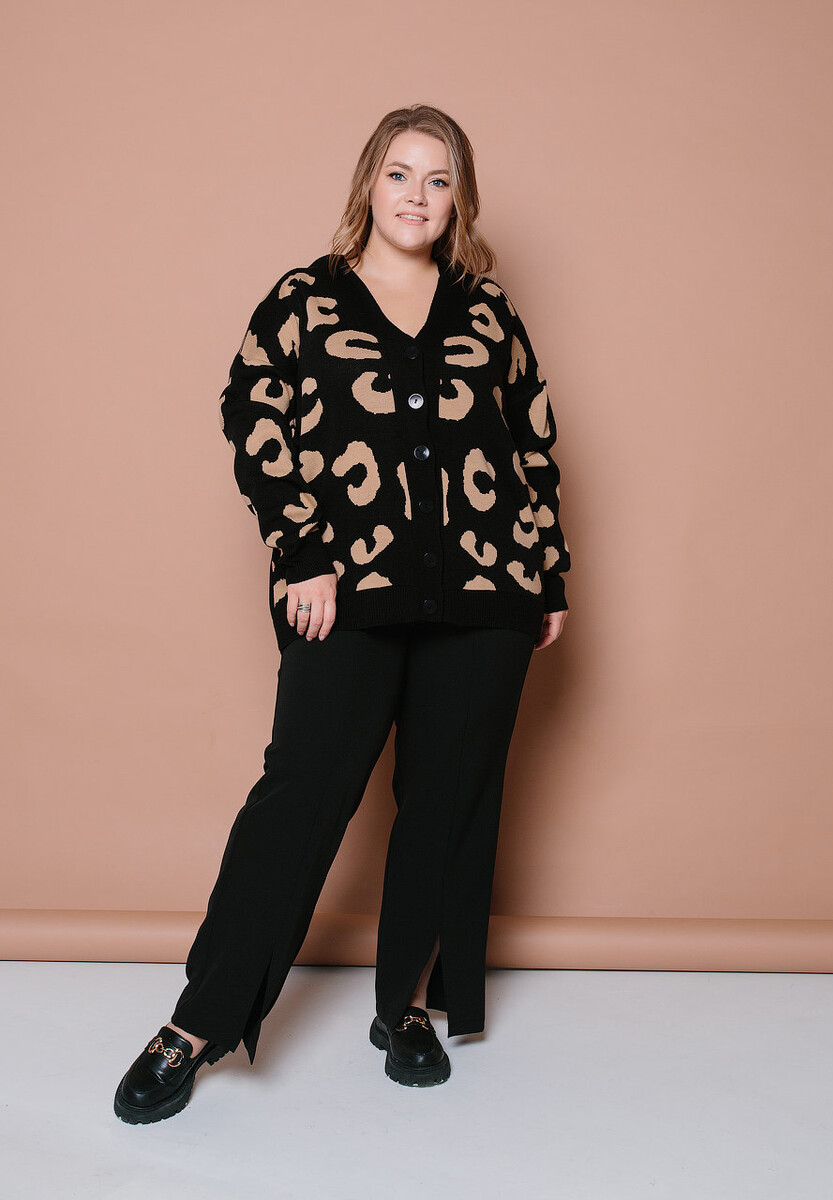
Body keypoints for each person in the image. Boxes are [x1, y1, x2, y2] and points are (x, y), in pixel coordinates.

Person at [114, 102, 571, 1124]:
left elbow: (533, 439)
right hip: (345, 591)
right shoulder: (304, 300)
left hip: (487, 593)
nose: (417, 195)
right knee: (303, 794)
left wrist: (547, 572)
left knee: (446, 803)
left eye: (439, 180)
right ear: (370, 182)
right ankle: (198, 1021)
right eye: (401, 173)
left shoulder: (488, 312)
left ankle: (403, 1006)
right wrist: (303, 552)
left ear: (460, 201)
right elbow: (253, 415)